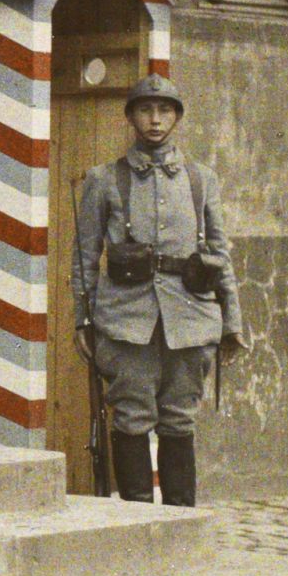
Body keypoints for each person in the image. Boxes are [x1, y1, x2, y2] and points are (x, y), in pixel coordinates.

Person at [73, 74, 246, 508]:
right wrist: (83, 318)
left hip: (190, 319)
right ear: (130, 116)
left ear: (177, 118)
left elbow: (219, 252)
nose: (155, 120)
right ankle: (136, 523)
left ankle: (179, 523)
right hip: (128, 319)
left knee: (179, 419)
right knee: (131, 416)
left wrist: (232, 322)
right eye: (145, 110)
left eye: (165, 110)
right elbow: (85, 257)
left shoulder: (200, 180)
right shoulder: (105, 179)